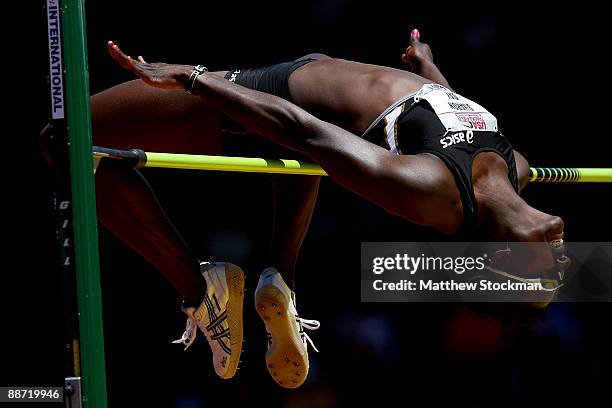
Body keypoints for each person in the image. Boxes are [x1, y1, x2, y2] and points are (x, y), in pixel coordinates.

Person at [40, 30, 566, 388]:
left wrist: (197, 78)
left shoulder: (428, 191)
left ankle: (200, 291)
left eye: (544, 276)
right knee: (307, 157)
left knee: (67, 138)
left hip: (276, 96)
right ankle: (280, 279)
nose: (564, 260)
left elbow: (302, 130)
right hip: (309, 86)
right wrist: (432, 74)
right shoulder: (514, 167)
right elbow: (446, 121)